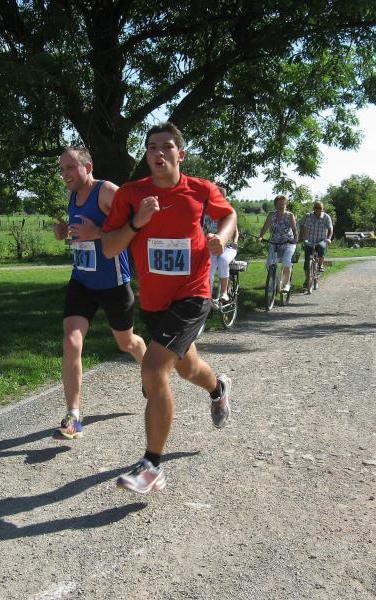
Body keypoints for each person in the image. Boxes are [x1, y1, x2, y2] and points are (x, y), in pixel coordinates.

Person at [101, 122, 237, 494]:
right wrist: (136, 222)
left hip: (192, 294)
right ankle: (218, 388)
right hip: (154, 301)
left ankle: (151, 466)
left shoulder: (200, 189)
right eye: (151, 147)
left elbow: (229, 216)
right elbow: (110, 248)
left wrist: (221, 238)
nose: (158, 153)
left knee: (153, 368)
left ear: (180, 154)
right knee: (188, 368)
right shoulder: (131, 194)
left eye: (166, 146)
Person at [51, 147, 147, 440]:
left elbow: (137, 223)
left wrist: (98, 232)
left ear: (88, 167)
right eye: (62, 169)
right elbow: (80, 234)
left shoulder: (106, 191)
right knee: (71, 341)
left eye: (70, 167)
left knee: (127, 343)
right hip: (82, 281)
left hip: (113, 283)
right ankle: (73, 415)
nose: (65, 174)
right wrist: (63, 232)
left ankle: (150, 371)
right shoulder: (72, 196)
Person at [258, 195, 298, 292]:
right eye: (279, 204)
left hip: (288, 242)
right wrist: (260, 236)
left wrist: (295, 239)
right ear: (275, 205)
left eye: (283, 204)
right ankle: (275, 282)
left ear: (286, 205)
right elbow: (265, 227)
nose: (281, 206)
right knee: (269, 264)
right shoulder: (271, 215)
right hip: (274, 242)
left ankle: (287, 284)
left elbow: (294, 229)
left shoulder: (290, 215)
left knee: (286, 261)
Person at [203, 211, 239, 303]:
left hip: (228, 247)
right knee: (209, 267)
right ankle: (207, 295)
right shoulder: (205, 214)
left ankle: (224, 292)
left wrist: (235, 241)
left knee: (223, 261)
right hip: (212, 247)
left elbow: (235, 231)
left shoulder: (226, 212)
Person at [298, 200, 333, 287]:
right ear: (313, 208)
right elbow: (303, 226)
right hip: (309, 240)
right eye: (316, 208)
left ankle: (320, 265)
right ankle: (307, 279)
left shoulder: (326, 217)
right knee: (307, 262)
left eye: (320, 208)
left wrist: (328, 238)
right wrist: (302, 237)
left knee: (321, 247)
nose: (318, 209)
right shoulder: (308, 216)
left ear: (322, 209)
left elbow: (330, 229)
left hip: (321, 240)